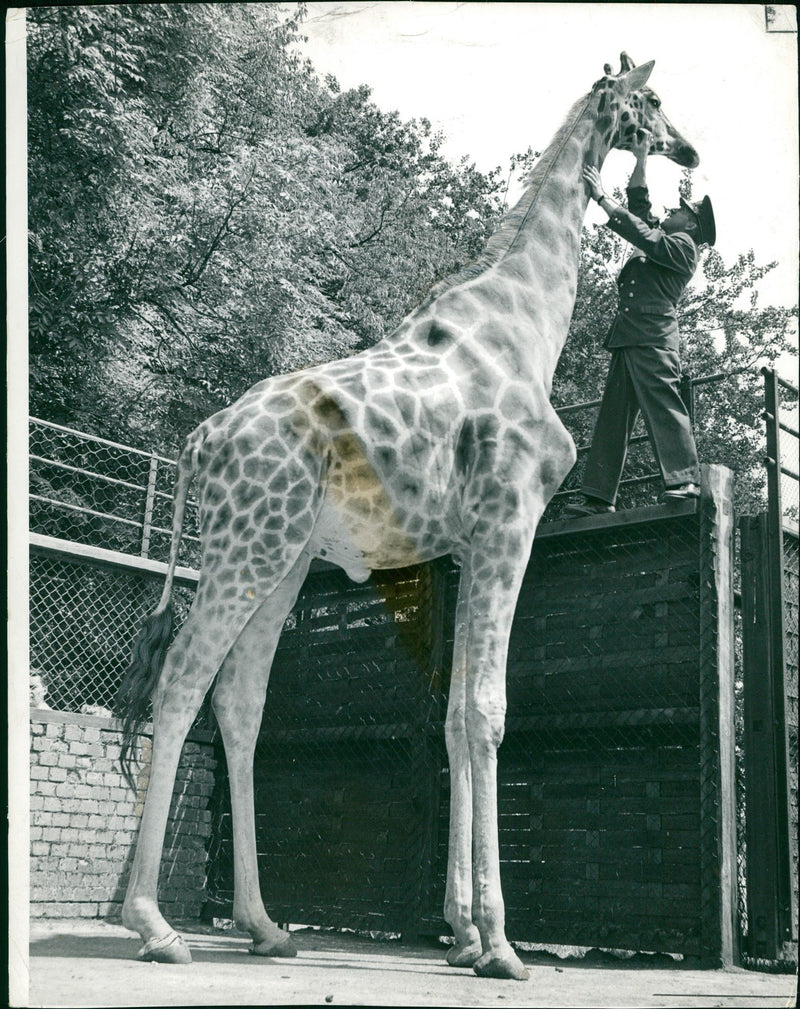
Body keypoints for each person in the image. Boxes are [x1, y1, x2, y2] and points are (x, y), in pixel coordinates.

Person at [564, 129, 716, 518]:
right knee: (613, 418)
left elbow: (643, 233)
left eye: (682, 209)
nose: (673, 210)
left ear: (693, 224)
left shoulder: (684, 247)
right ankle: (599, 496)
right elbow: (639, 205)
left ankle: (684, 481)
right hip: (631, 339)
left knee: (664, 406)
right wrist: (642, 158)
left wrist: (601, 198)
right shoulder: (666, 234)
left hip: (652, 340)